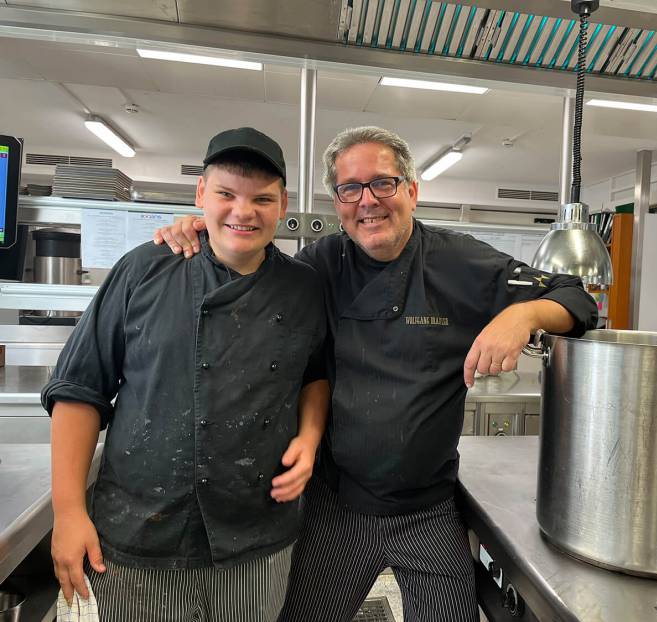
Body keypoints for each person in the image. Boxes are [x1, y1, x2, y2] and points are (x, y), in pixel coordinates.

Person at [154, 125, 598, 622]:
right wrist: (202, 231)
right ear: (337, 201)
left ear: (411, 190)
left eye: (383, 183)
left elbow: (575, 296)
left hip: (426, 511)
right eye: (350, 188)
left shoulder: (461, 262)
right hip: (336, 508)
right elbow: (251, 266)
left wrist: (524, 315)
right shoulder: (320, 264)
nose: (368, 201)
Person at [43, 127, 329, 622]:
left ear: (282, 204)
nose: (243, 211)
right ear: (201, 194)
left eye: (262, 198)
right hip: (141, 537)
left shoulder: (303, 286)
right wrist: (68, 512)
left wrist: (309, 435)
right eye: (226, 194)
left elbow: (314, 373)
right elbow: (79, 391)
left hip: (256, 536)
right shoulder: (143, 270)